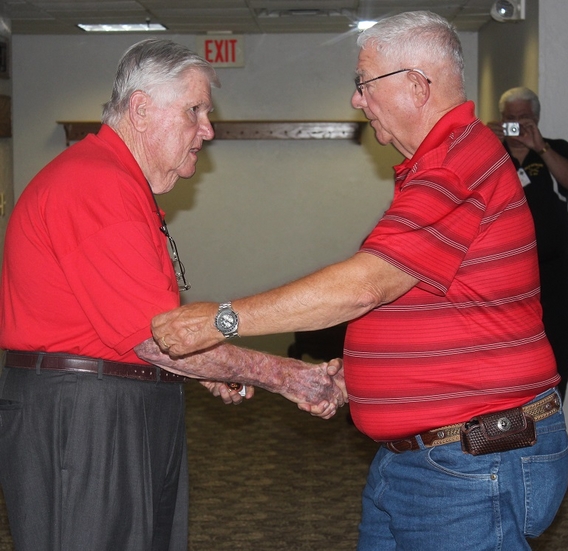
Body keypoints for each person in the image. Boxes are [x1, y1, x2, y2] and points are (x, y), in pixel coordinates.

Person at [148, 13, 568, 550]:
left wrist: (219, 320)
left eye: (364, 84)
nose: (356, 100)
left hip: (468, 461)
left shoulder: (459, 162)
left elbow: (366, 284)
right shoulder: (443, 160)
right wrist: (370, 373)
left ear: (417, 85)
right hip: (425, 457)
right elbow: (436, 299)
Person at [0, 38, 344, 551]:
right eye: (195, 111)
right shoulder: (96, 185)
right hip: (85, 415)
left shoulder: (115, 181)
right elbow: (153, 340)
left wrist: (209, 364)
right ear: (140, 110)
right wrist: (286, 375)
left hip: (113, 403)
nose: (207, 129)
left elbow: (147, 324)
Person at [487, 87, 568, 401]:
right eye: (510, 119)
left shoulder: (555, 149)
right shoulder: (490, 152)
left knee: (558, 341)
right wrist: (481, 142)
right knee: (504, 347)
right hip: (504, 272)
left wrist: (540, 146)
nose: (516, 125)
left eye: (524, 119)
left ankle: (553, 417)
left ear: (537, 119)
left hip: (554, 269)